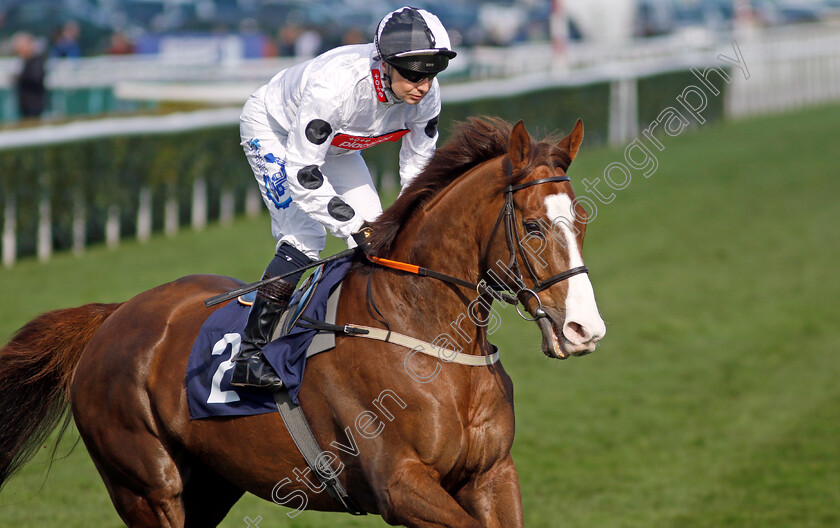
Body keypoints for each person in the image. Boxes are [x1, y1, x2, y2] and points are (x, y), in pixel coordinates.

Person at [232, 6, 457, 391]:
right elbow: (304, 173)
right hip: (277, 131)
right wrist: (355, 227)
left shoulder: (427, 95)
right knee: (305, 238)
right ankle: (249, 357)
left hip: (336, 147)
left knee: (380, 239)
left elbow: (419, 166)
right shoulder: (336, 87)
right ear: (384, 64)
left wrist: (401, 219)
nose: (423, 85)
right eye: (413, 74)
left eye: (432, 73)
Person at [12, 32, 47, 119]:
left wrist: (19, 78)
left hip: (34, 102)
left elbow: (35, 77)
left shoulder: (36, 60)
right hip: (26, 102)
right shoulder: (25, 61)